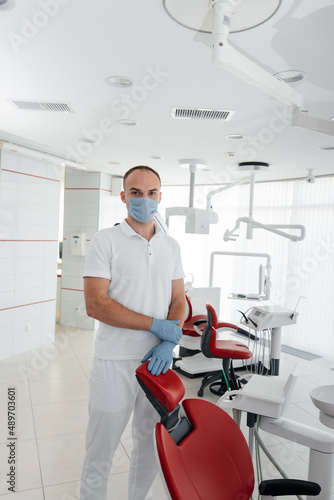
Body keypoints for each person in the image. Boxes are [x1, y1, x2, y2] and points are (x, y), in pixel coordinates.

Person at [80, 165, 186, 500]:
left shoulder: (171, 245)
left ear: (160, 196)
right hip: (114, 362)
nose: (144, 199)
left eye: (151, 192)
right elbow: (96, 305)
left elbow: (178, 299)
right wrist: (156, 325)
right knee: (101, 452)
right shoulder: (105, 240)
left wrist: (168, 340)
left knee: (149, 445)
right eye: (136, 193)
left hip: (157, 365)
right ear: (123, 197)